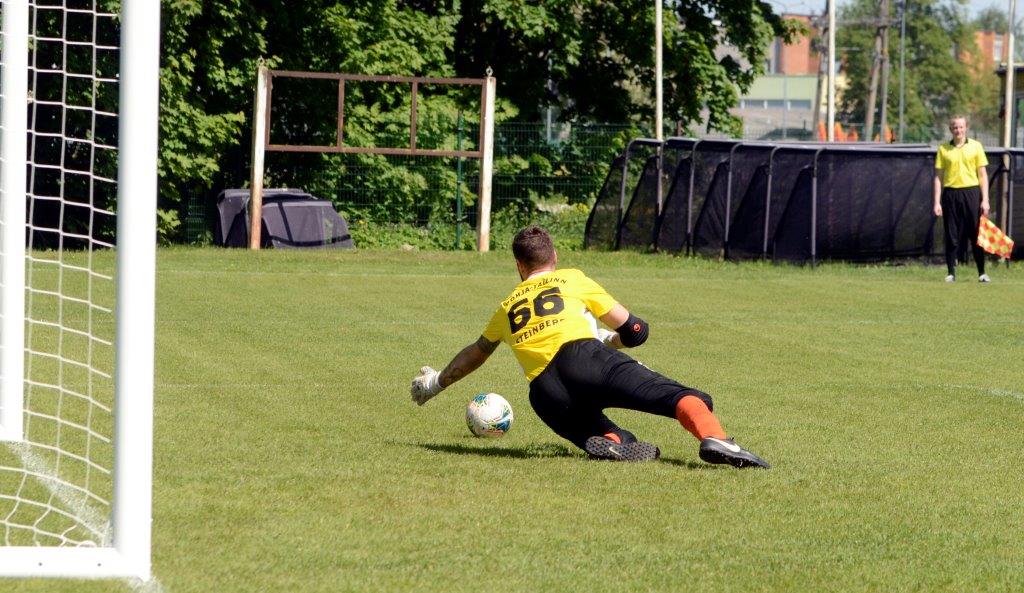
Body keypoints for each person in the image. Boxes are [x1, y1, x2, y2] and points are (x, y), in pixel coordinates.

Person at [410, 225, 769, 468]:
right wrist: (619, 338)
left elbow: (477, 352)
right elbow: (634, 329)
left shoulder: (507, 307)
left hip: (545, 393)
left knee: (612, 435)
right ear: (554, 256)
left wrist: (435, 383)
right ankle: (717, 439)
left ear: (519, 266)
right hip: (585, 358)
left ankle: (613, 441)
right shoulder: (571, 278)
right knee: (685, 398)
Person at [933, 115, 990, 283]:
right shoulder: (943, 149)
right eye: (955, 127)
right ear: (951, 129)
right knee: (951, 234)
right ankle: (951, 272)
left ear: (966, 127)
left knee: (975, 233)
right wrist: (936, 202)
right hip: (950, 194)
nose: (958, 130)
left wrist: (985, 200)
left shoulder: (976, 146)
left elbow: (982, 175)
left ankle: (982, 273)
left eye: (961, 127)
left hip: (971, 193)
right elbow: (938, 177)